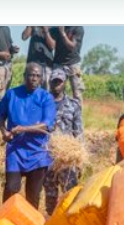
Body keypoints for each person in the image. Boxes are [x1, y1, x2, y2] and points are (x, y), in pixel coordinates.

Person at [0, 62, 56, 210]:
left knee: (33, 195)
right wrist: (4, 132)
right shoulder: (12, 94)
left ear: (41, 79)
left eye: (37, 76)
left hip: (38, 153)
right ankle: (6, 222)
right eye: (31, 75)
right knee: (11, 188)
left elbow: (46, 125)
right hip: (16, 150)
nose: (34, 78)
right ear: (24, 76)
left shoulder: (46, 98)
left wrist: (24, 128)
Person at [44, 69, 82, 215]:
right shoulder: (43, 103)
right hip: (48, 156)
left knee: (71, 194)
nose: (56, 85)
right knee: (50, 196)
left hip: (67, 157)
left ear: (65, 82)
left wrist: (78, 161)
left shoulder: (73, 105)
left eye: (59, 82)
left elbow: (78, 132)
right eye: (54, 81)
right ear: (50, 82)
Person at [50, 26, 85, 103]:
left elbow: (72, 47)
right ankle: (56, 113)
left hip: (73, 64)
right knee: (55, 91)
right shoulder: (56, 29)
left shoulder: (78, 28)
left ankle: (78, 114)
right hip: (58, 63)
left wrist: (62, 33)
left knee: (77, 93)